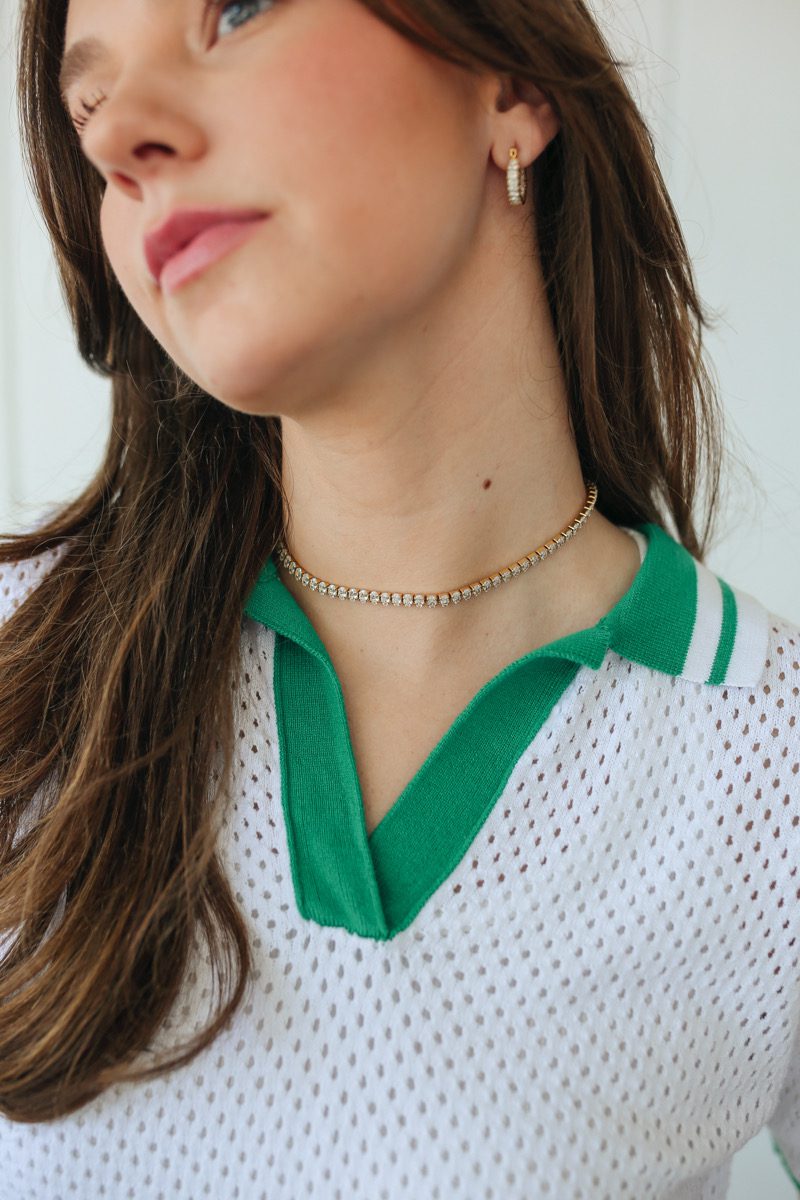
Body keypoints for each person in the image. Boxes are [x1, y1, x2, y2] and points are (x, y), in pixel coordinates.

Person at [1, 0, 798, 1195]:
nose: (119, 142)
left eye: (235, 10)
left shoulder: (770, 775)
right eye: (88, 106)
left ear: (510, 88)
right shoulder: (19, 668)